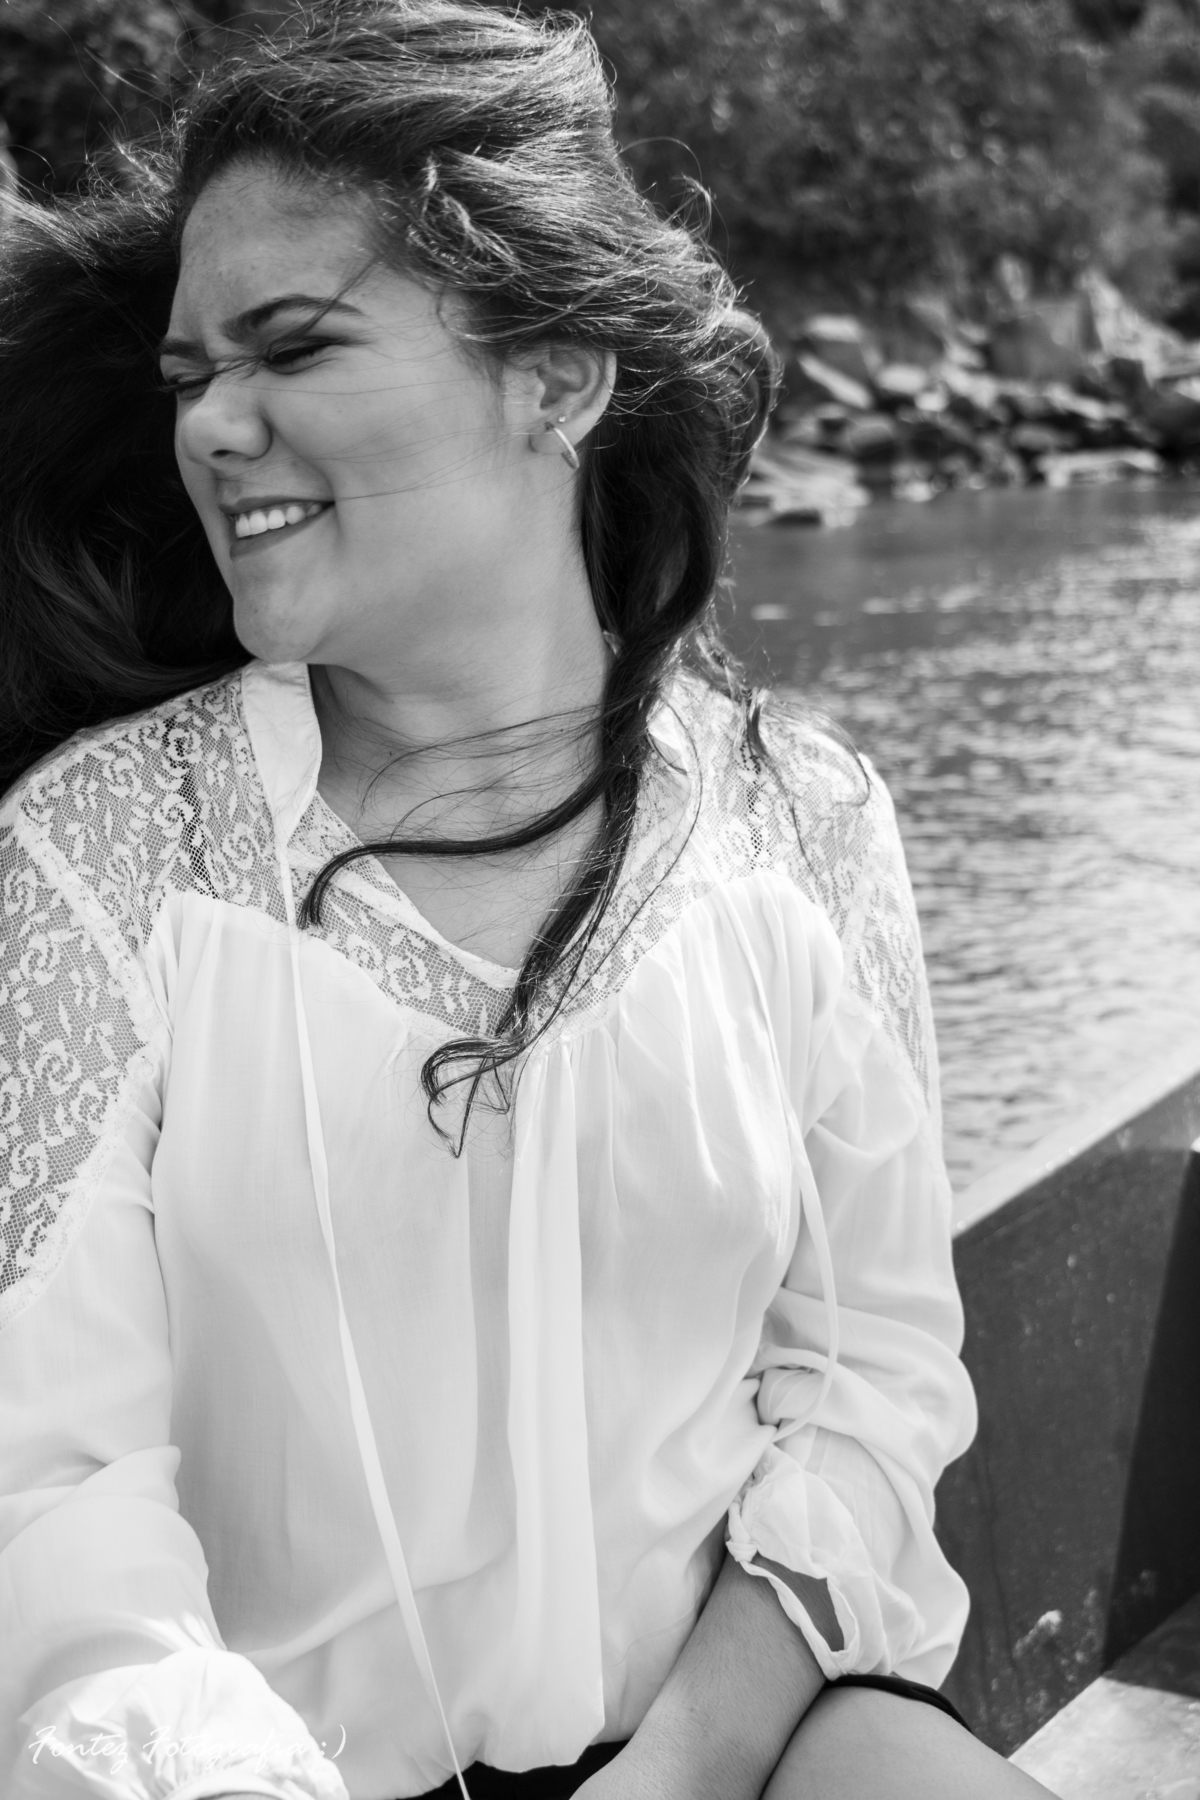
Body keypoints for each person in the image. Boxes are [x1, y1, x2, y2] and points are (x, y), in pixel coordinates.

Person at [0, 4, 1053, 1796]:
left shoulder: (803, 823)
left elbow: (870, 1379)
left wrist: (683, 1768)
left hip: (731, 1745)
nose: (214, 427)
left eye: (293, 346)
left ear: (555, 378)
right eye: (189, 376)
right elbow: (55, 1502)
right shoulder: (101, 856)